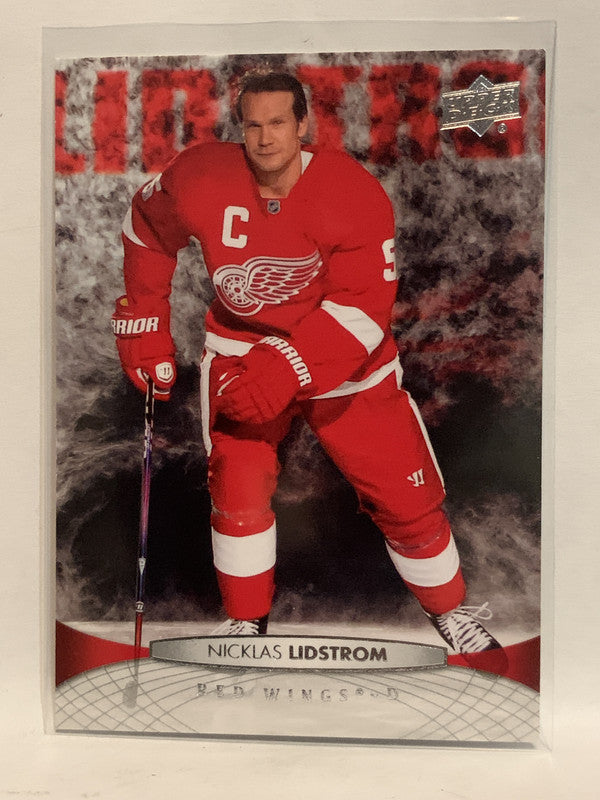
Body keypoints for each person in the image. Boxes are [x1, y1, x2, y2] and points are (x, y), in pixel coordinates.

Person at [112, 70, 500, 654]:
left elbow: (365, 306)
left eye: (277, 123)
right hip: (242, 352)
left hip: (348, 367)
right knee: (236, 489)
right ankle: (245, 625)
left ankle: (452, 614)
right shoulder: (200, 175)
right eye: (253, 125)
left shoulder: (352, 191)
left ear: (302, 125)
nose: (265, 138)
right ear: (240, 129)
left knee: (407, 498)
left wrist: (289, 365)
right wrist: (144, 320)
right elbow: (145, 227)